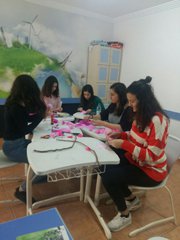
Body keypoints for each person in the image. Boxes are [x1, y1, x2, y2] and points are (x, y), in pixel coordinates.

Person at [101, 76, 169, 232]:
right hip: (138, 162)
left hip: (152, 171)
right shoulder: (139, 114)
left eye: (132, 101)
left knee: (109, 176)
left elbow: (150, 156)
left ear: (144, 101)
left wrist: (124, 144)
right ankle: (132, 199)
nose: (130, 105)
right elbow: (132, 135)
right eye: (129, 101)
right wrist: (121, 135)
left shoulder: (158, 121)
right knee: (106, 166)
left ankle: (125, 215)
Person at [2, 74, 47, 203]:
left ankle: (34, 178)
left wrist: (40, 116)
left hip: (17, 143)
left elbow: (26, 120)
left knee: (43, 153)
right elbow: (25, 129)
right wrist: (40, 116)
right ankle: (22, 190)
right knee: (43, 165)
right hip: (13, 147)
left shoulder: (17, 104)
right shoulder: (15, 107)